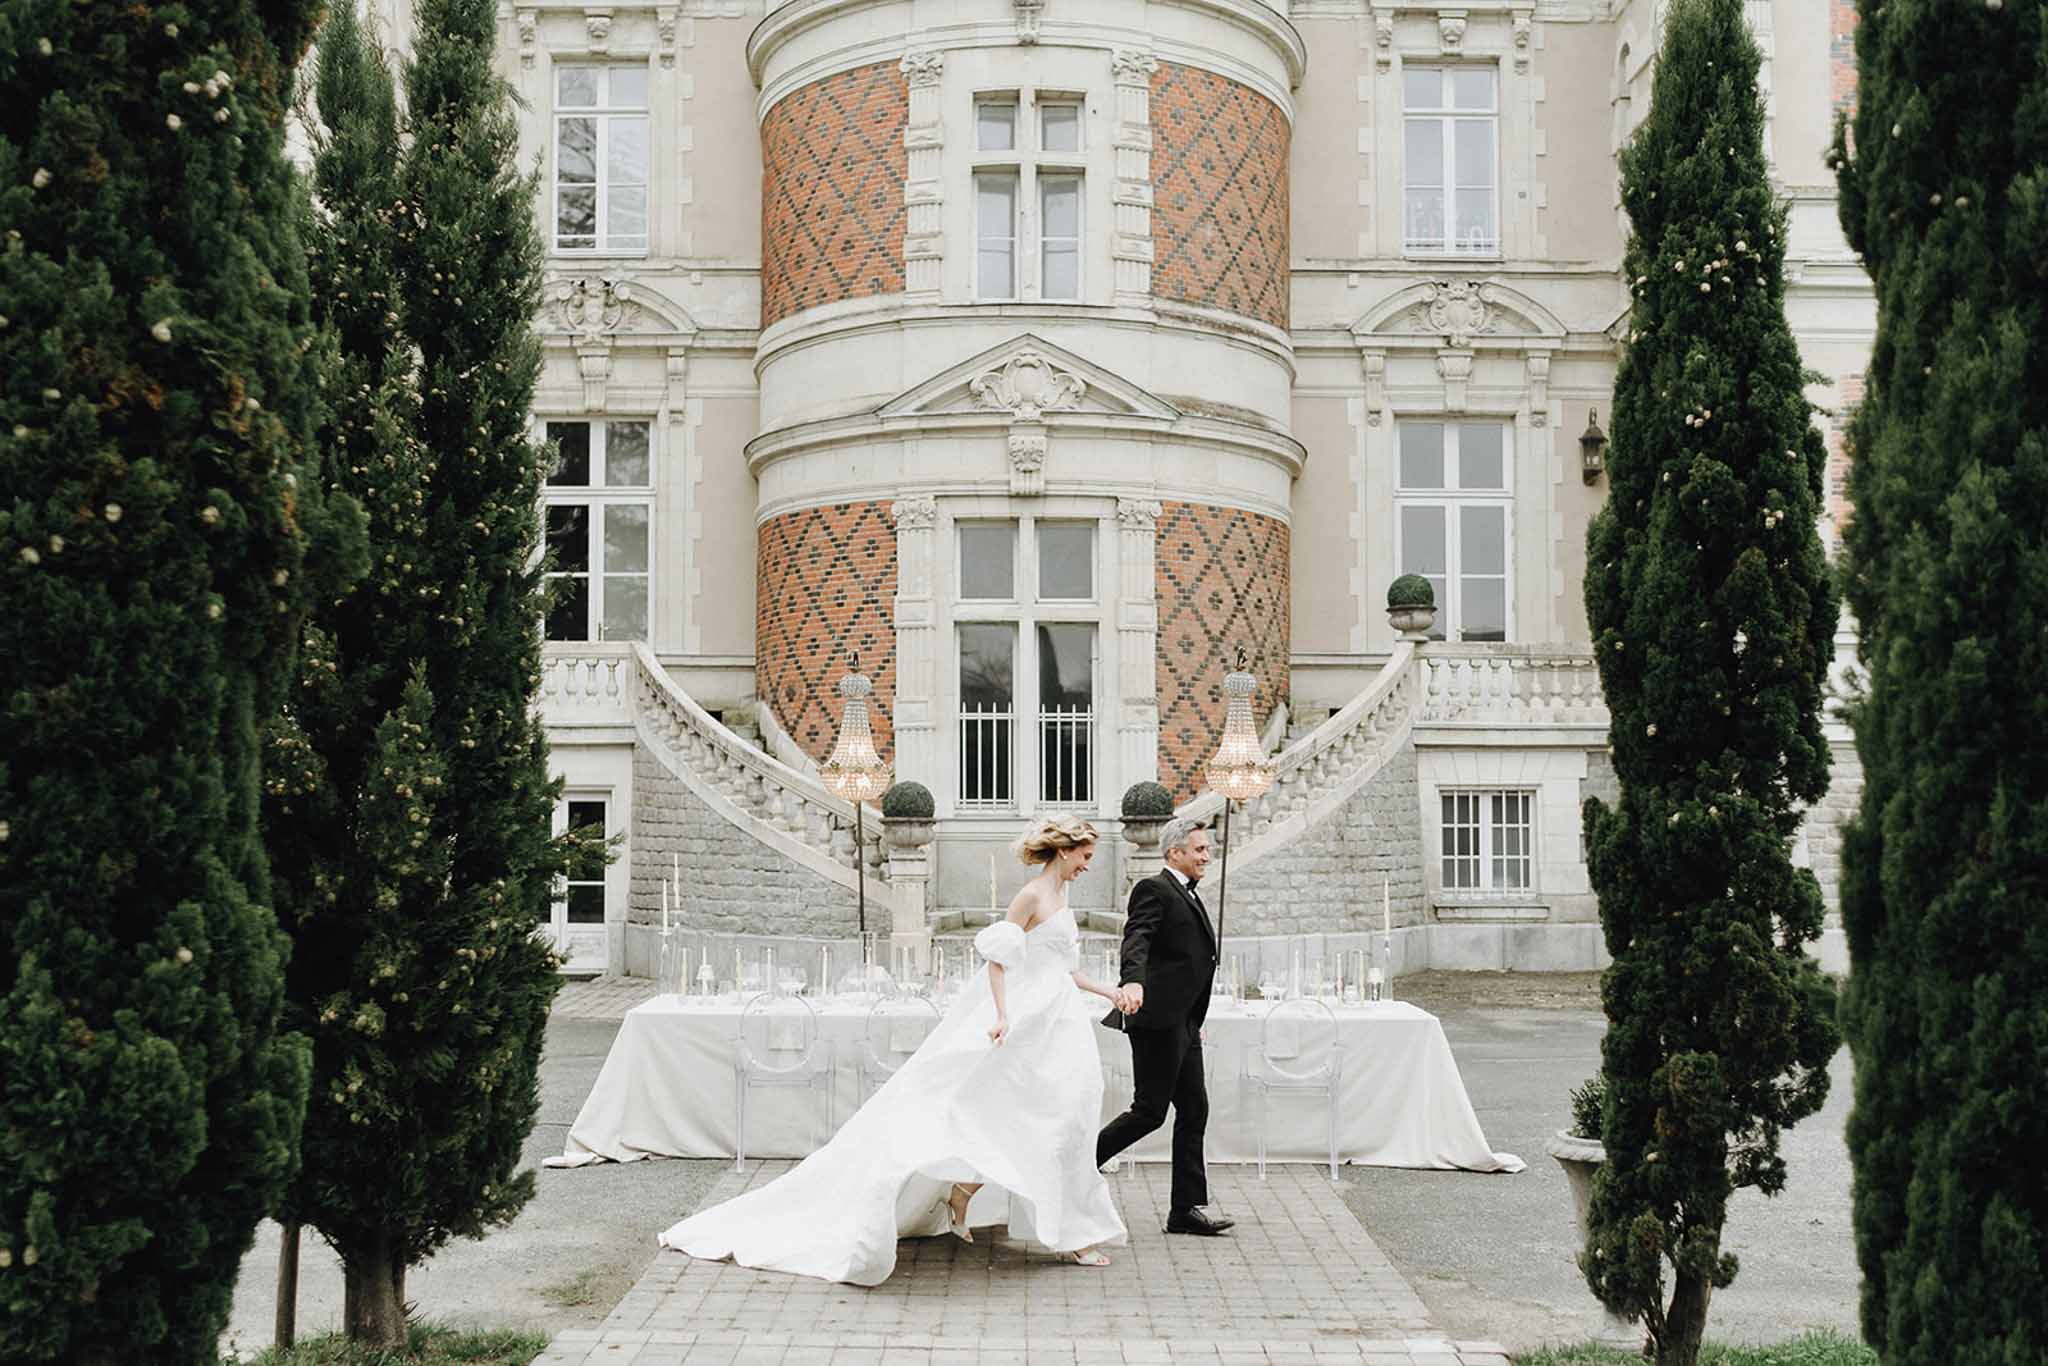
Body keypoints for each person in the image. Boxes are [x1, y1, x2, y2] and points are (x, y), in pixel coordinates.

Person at [658, 815, 1129, 1284]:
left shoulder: (1064, 895)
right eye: (1086, 856)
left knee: (1062, 1117)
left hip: (1059, 1020)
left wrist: (1109, 991)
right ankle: (1063, 1232)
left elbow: (1064, 969)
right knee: (1001, 1112)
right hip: (1025, 1020)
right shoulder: (1030, 896)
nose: (1088, 865)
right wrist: (1002, 1015)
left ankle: (975, 1196)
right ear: (1065, 850)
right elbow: (998, 961)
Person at [1096, 816, 1235, 1236]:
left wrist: (1194, 1018)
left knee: (1195, 1109)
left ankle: (1184, 1210)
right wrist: (1132, 980)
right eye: (1199, 850)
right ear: (1175, 852)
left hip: (1185, 1022)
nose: (1207, 856)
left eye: (1207, 849)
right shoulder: (1154, 889)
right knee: (1150, 1112)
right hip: (1157, 1021)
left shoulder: (1187, 893)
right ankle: (1077, 1162)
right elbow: (1136, 937)